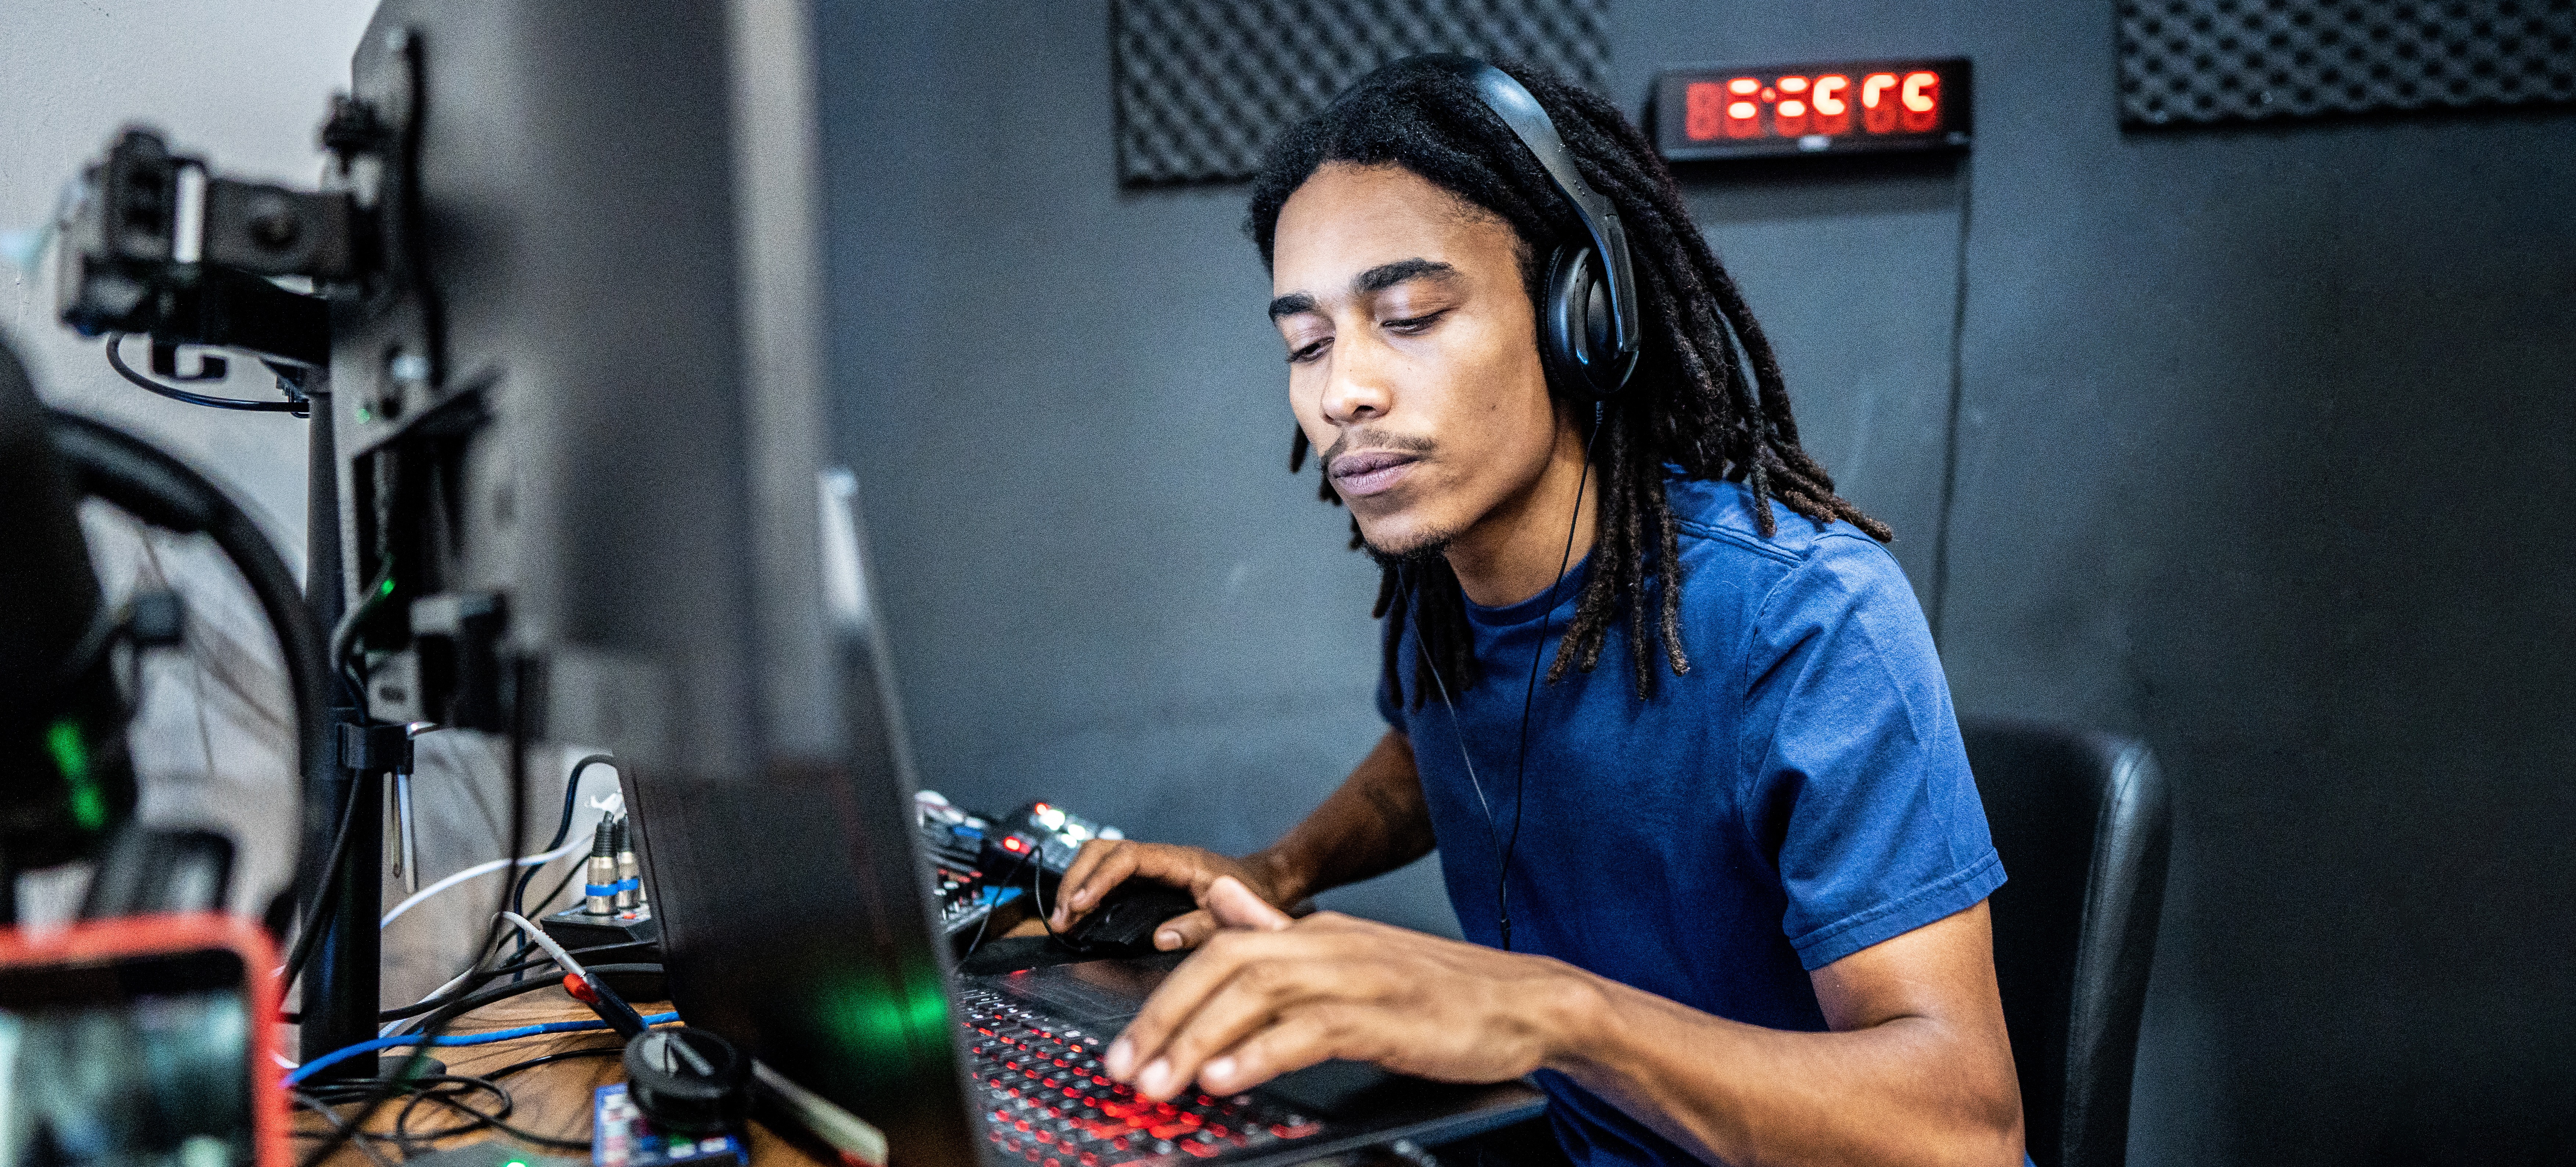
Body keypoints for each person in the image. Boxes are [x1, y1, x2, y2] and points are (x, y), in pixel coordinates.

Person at [1049, 58, 2022, 1167]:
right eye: (1308, 343)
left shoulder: (1804, 617)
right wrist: (1280, 871)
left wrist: (1558, 1013)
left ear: (1581, 315)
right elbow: (1440, 748)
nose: (1340, 392)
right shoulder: (1443, 589)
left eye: (1406, 315)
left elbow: (1966, 1133)